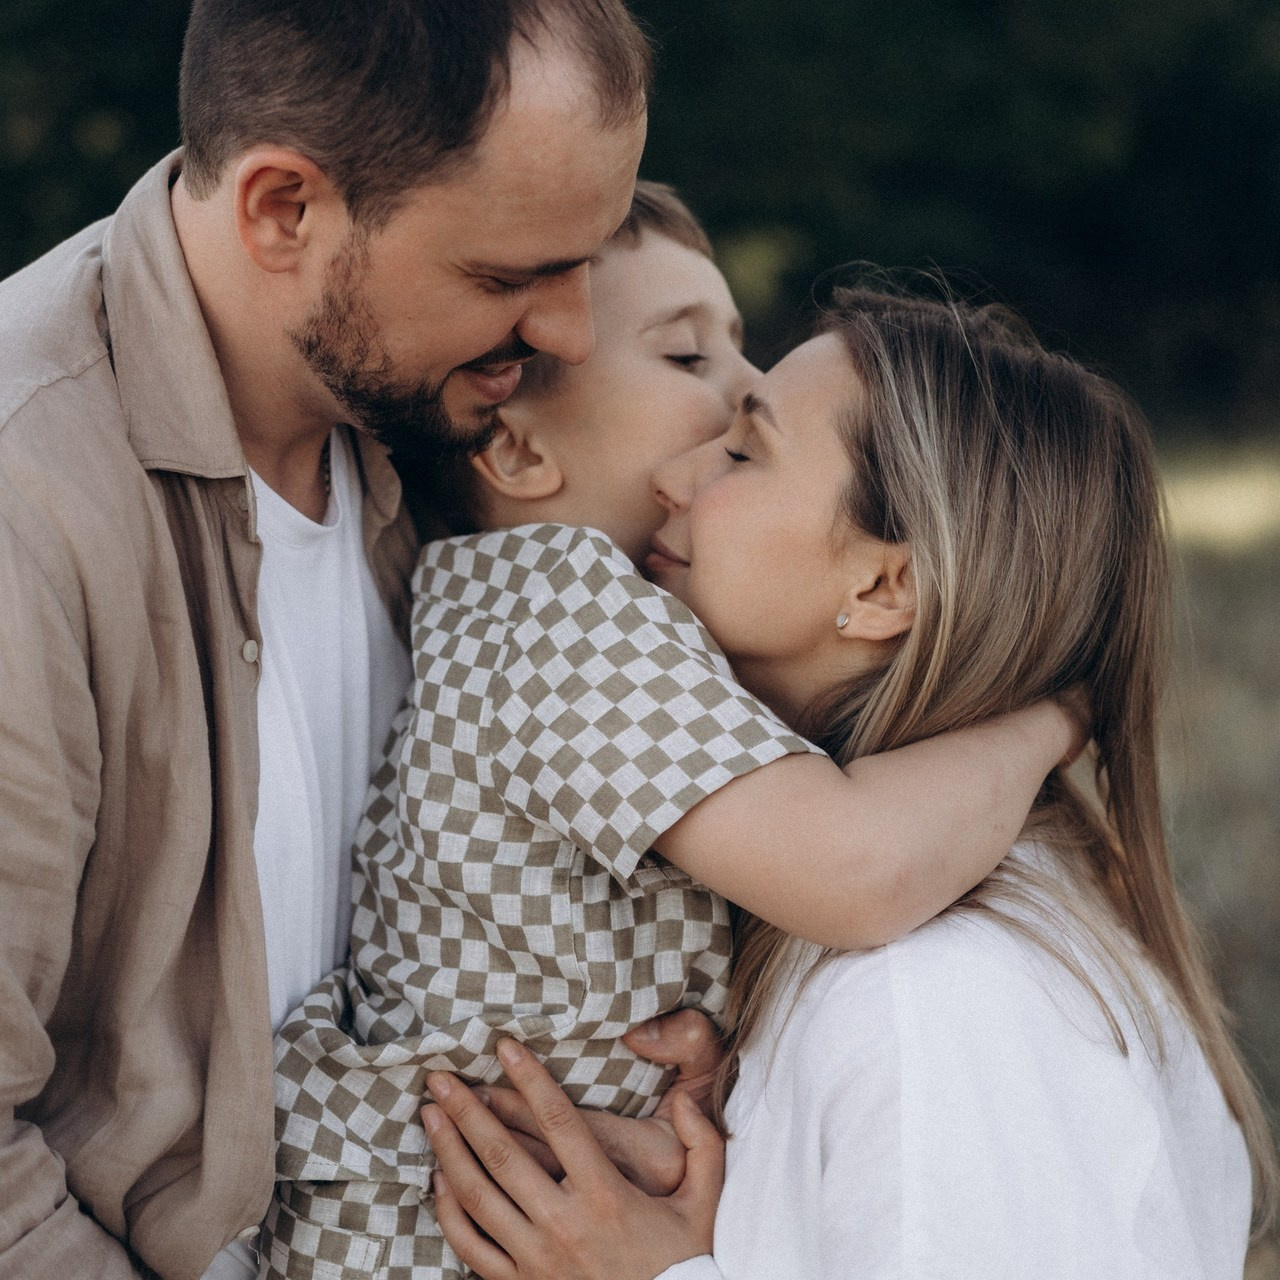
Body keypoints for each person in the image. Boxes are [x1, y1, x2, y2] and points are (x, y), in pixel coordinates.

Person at [263, 209, 1082, 1278]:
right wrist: (1050, 718)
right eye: (689, 353)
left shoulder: (530, 617)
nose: (744, 384)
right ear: (513, 442)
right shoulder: (563, 607)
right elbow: (859, 867)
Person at [420, 284, 1280, 1279]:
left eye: (742, 452)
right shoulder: (845, 915)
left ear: (882, 588)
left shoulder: (928, 1000)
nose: (674, 476)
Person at [0, 2, 655, 1276]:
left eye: (588, 259)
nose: (573, 331)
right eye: (508, 277)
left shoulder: (437, 429)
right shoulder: (30, 497)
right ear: (282, 210)